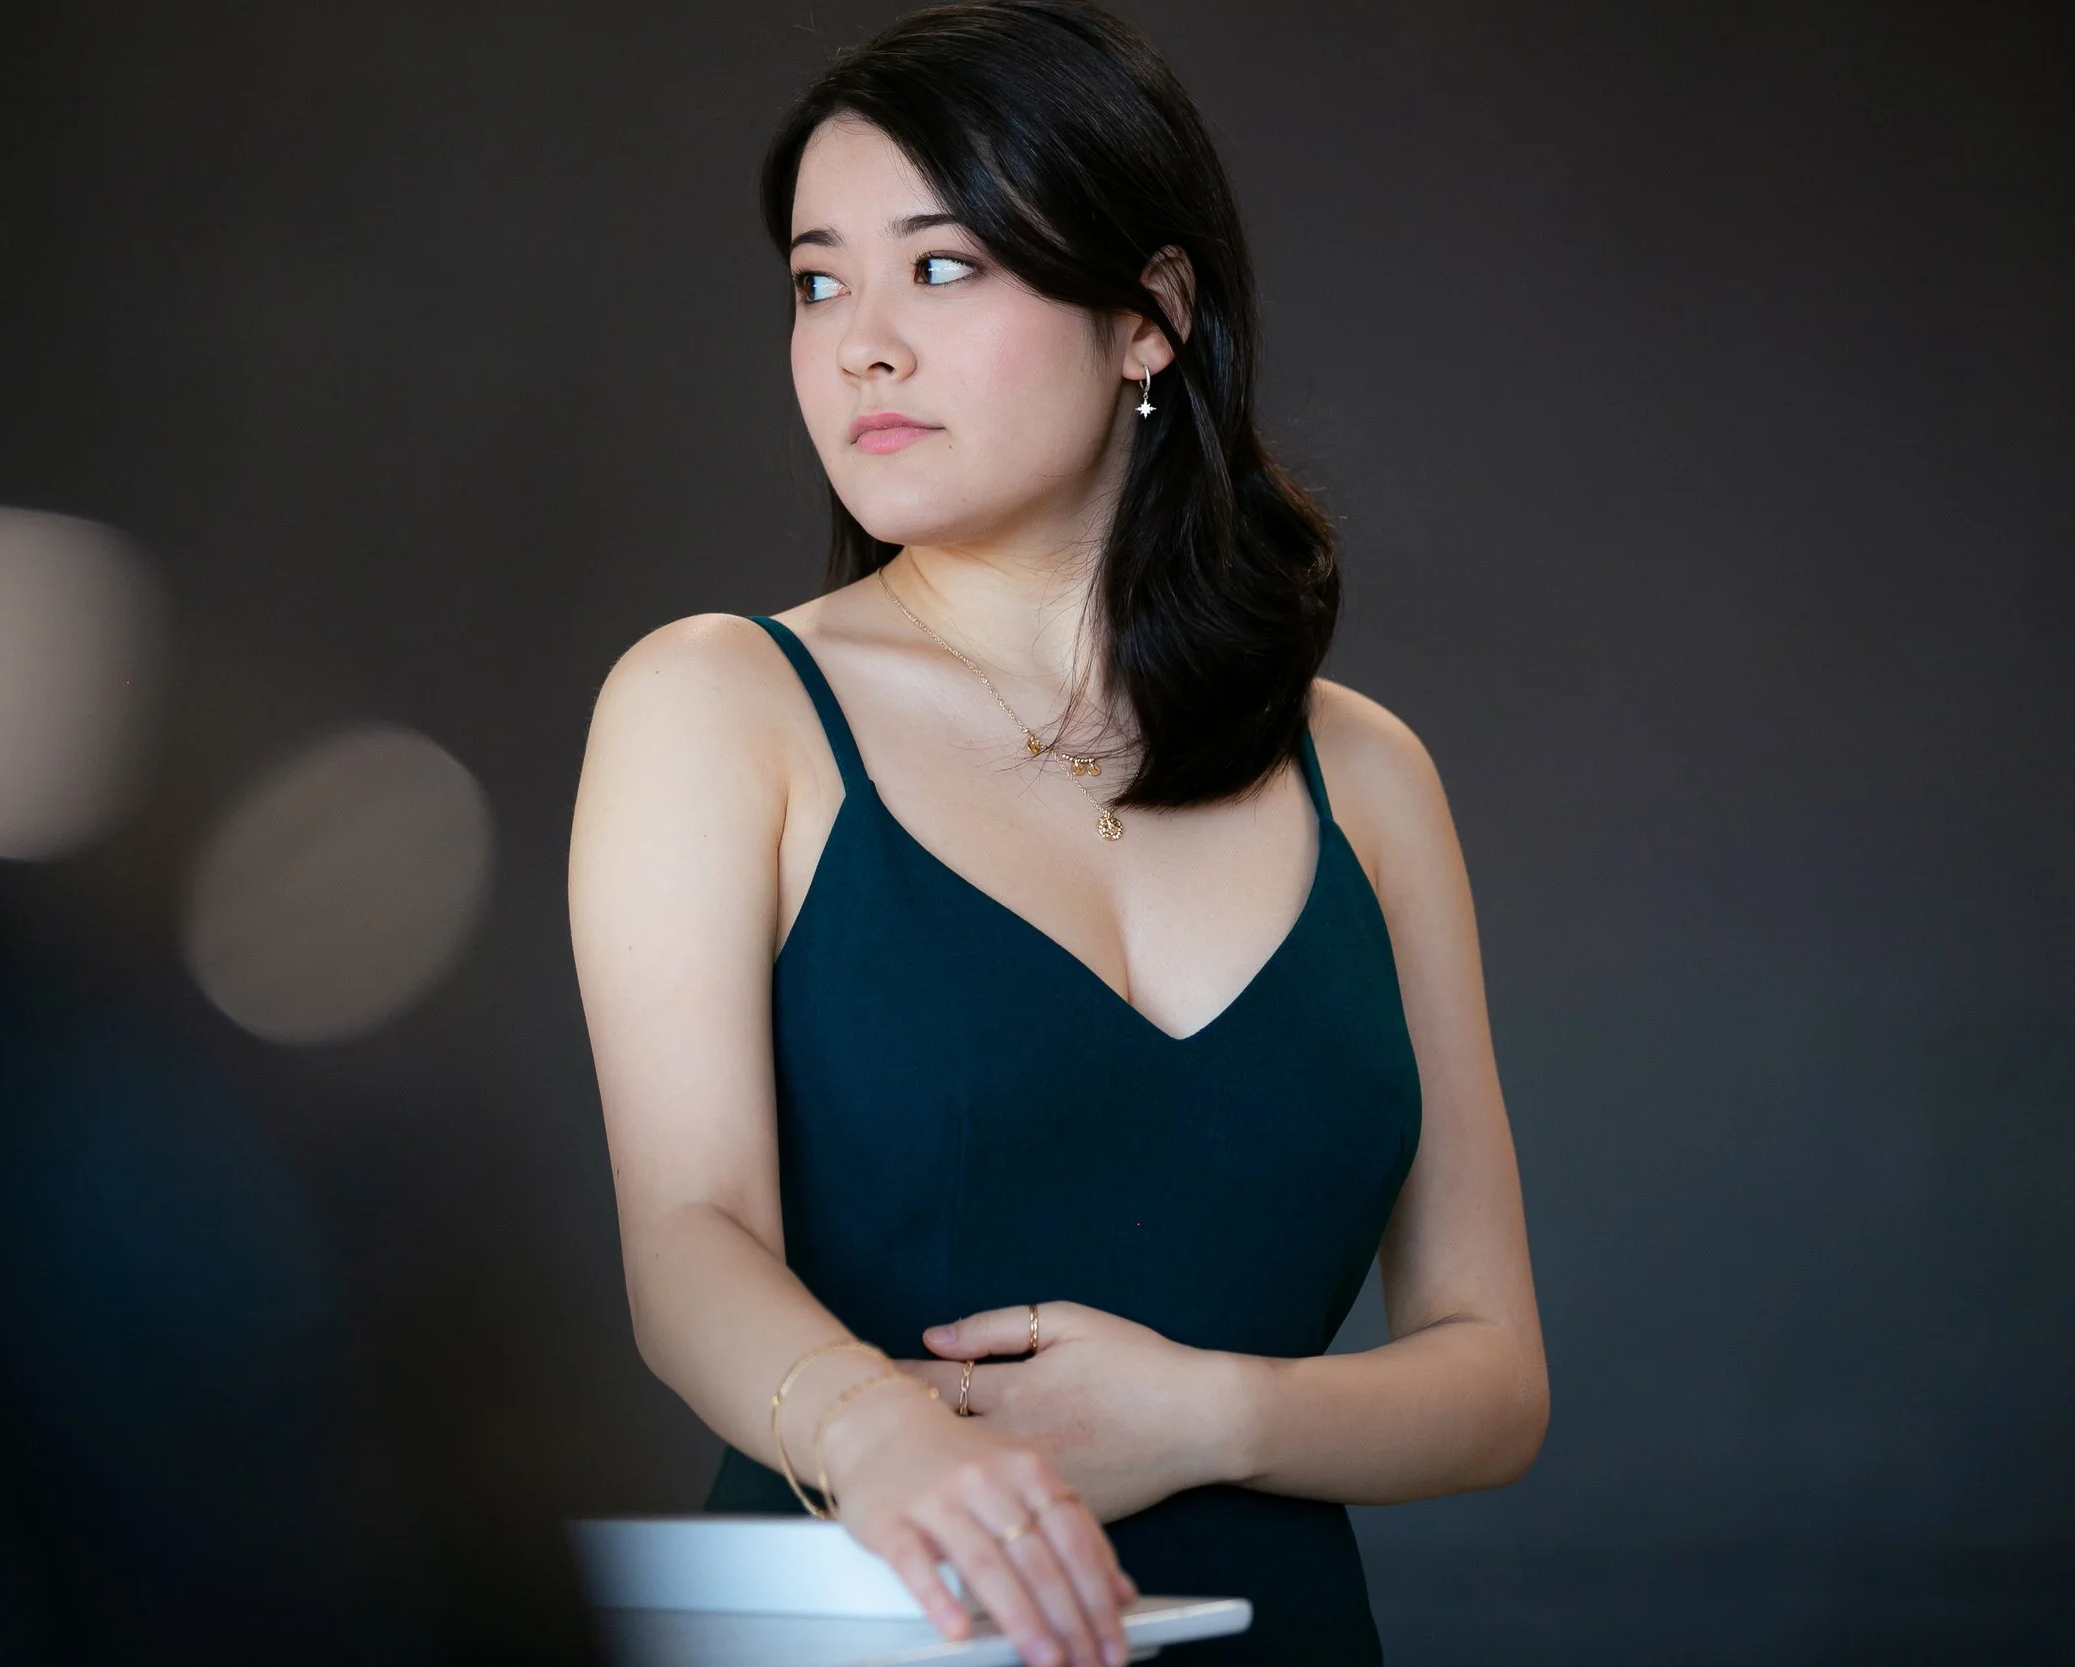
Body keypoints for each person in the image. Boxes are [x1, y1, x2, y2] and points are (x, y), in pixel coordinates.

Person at [567, 3, 1548, 1660]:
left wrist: (1212, 1414)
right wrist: (886, 1436)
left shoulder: (1367, 774)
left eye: (941, 266)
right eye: (818, 282)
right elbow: (686, 1244)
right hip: (876, 1624)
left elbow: (1494, 1375)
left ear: (1148, 316)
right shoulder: (716, 702)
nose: (862, 344)